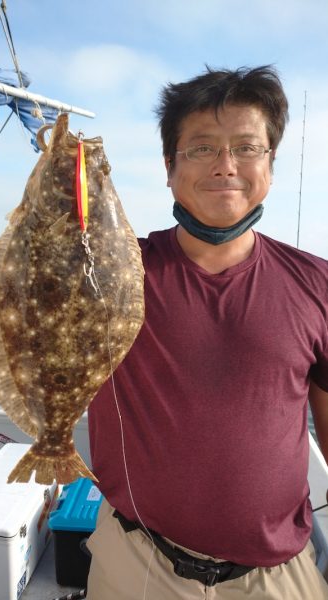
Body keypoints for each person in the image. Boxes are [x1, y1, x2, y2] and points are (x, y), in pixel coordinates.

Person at [85, 66, 328, 599]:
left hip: (276, 576)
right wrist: (68, 176)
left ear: (270, 164)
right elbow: (52, 261)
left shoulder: (319, 284)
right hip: (135, 560)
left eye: (247, 147)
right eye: (201, 149)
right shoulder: (110, 272)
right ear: (169, 166)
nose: (225, 166)